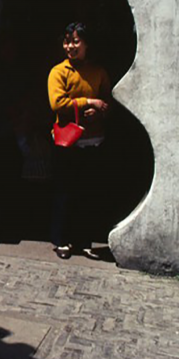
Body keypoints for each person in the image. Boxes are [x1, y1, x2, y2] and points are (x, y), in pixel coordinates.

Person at [47, 22, 111, 260]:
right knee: (65, 191)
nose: (70, 46)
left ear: (86, 44)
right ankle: (62, 241)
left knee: (88, 193)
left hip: (94, 140)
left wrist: (101, 110)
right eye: (66, 41)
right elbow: (57, 104)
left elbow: (108, 101)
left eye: (75, 41)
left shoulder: (98, 71)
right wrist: (89, 103)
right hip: (68, 142)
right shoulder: (59, 72)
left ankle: (84, 241)